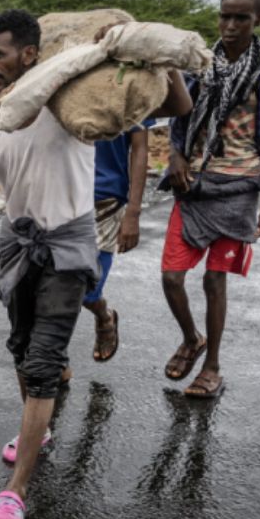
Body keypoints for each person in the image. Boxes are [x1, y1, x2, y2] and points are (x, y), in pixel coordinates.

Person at [0, 10, 190, 519]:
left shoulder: (75, 102)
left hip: (68, 244)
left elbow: (179, 104)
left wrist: (151, 48)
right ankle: (37, 431)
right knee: (21, 348)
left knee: (43, 360)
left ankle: (16, 491)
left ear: (30, 55)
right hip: (17, 243)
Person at [160, 0, 260, 398]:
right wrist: (176, 156)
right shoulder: (202, 65)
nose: (230, 24)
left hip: (240, 186)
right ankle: (191, 338)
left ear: (259, 19)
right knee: (171, 278)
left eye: (241, 17)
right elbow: (179, 116)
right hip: (195, 186)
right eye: (225, 15)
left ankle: (213, 366)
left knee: (214, 281)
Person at [84, 118, 155, 361]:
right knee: (54, 284)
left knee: (87, 291)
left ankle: (104, 316)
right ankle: (53, 357)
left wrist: (133, 212)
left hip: (107, 199)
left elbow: (140, 147)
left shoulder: (132, 84)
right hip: (63, 195)